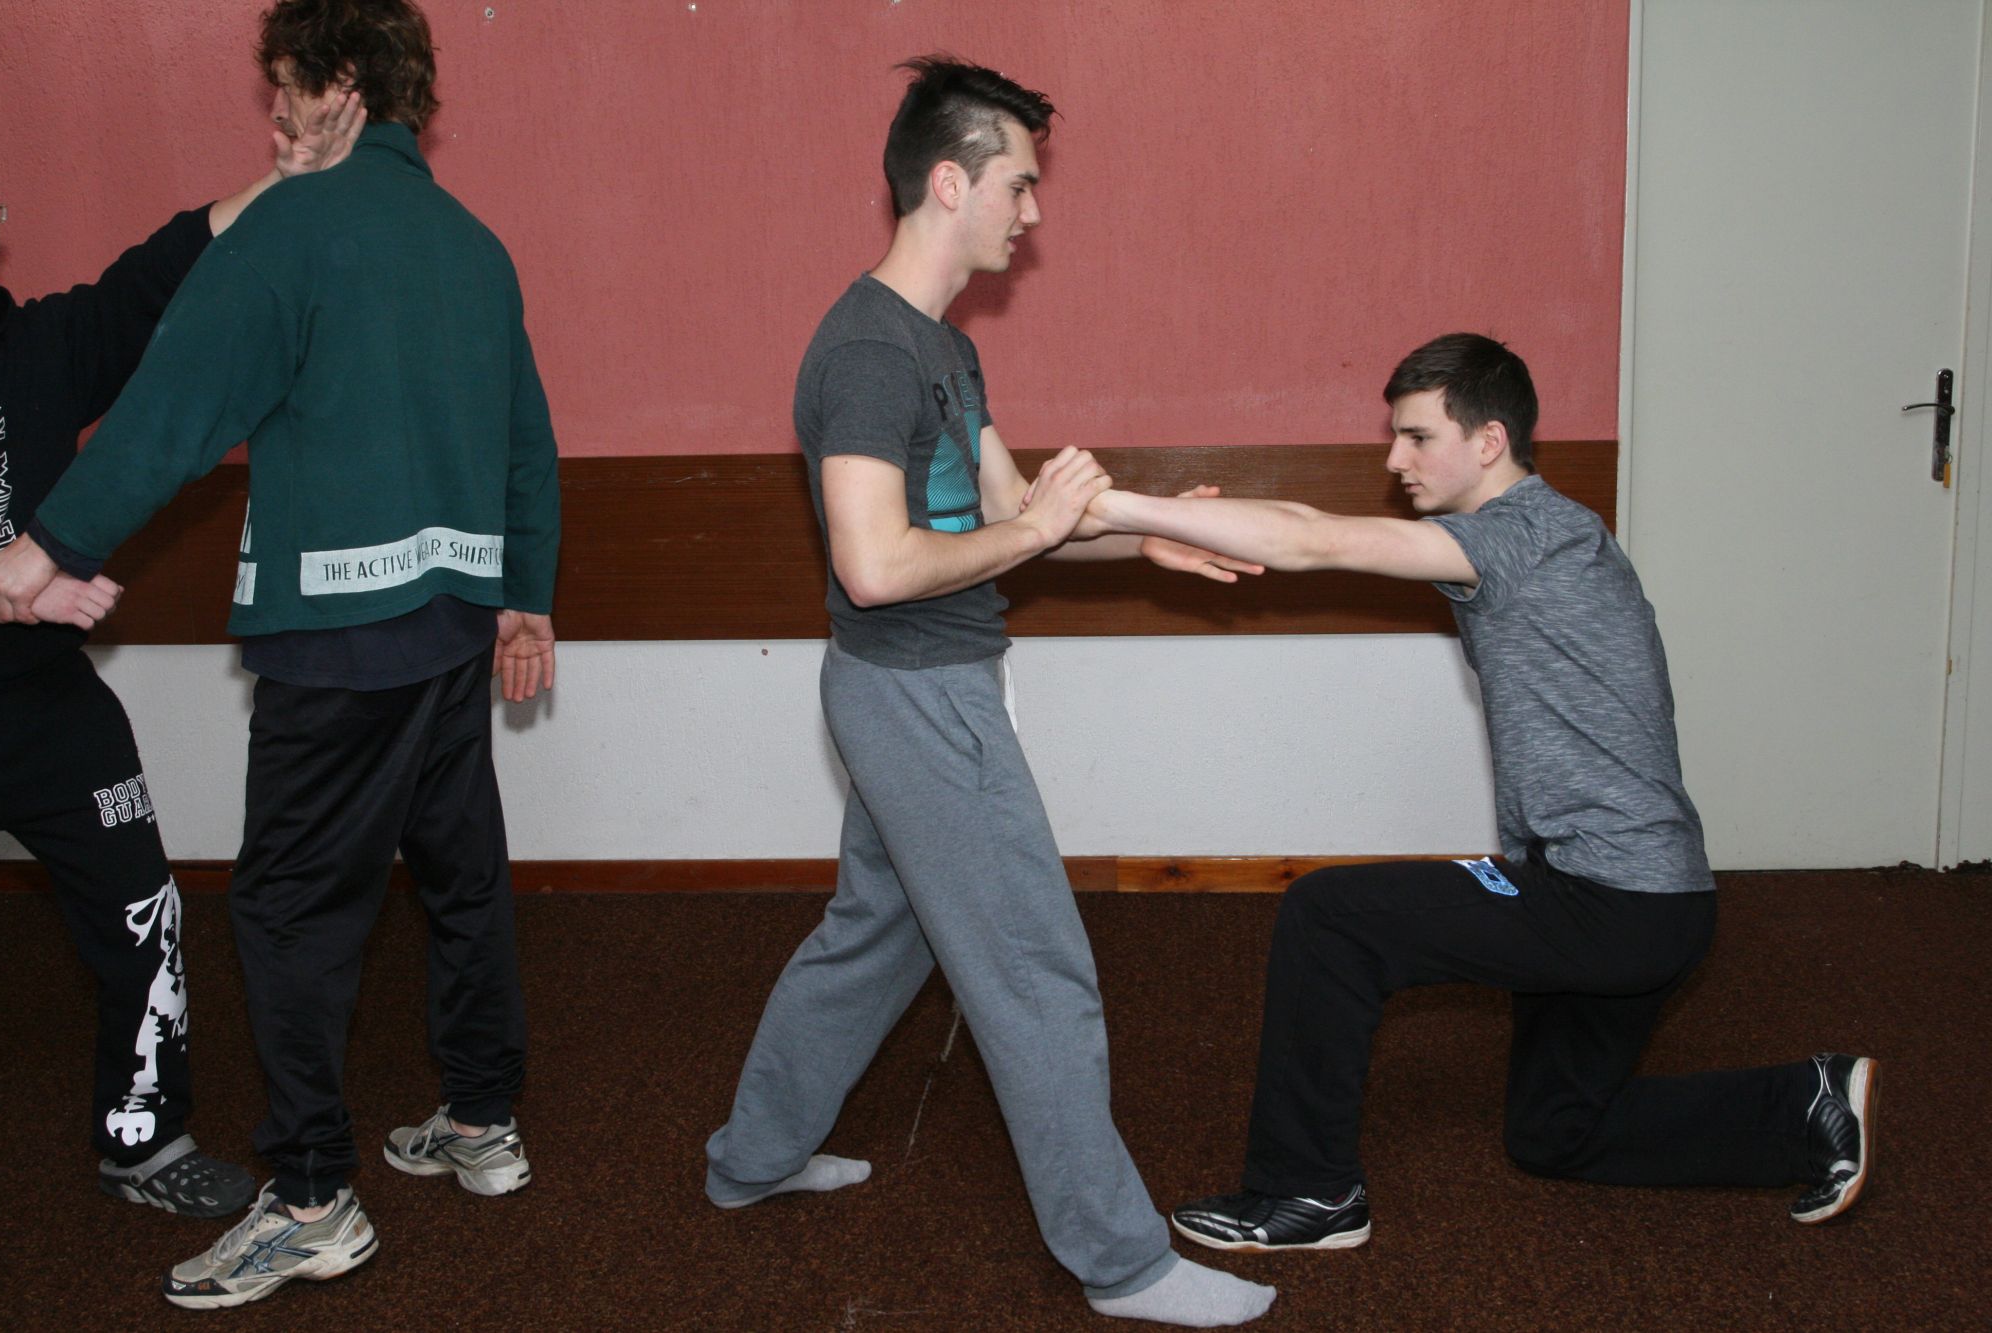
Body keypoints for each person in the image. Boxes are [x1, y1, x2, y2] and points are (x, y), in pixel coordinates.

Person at [0, 0, 561, 1308]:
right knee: (460, 869)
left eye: (286, 90)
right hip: (449, 633)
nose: (275, 120)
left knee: (287, 909)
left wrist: (43, 549)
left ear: (337, 82)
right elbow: (526, 442)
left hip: (336, 649)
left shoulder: (294, 233)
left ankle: (309, 1200)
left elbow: (173, 407)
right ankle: (482, 1120)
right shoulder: (473, 245)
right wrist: (525, 598)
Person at [1079, 332, 1877, 1255]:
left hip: (1612, 901)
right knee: (1556, 1131)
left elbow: (1308, 537)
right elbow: (1306, 523)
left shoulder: (1523, 533)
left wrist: (1105, 506)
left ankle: (1309, 1191)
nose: (1395, 458)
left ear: (1490, 440)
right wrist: (1157, 528)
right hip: (1650, 902)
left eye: (1418, 436)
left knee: (1332, 918)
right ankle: (1806, 1105)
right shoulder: (1553, 531)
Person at [702, 55, 1274, 1329]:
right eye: (1018, 182)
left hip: (915, 690)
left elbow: (1016, 512)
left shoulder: (941, 349)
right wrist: (1038, 532)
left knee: (874, 937)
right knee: (1034, 968)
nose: (1033, 209)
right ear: (949, 182)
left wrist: (1146, 537)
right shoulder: (867, 351)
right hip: (917, 696)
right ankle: (1121, 1262)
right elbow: (874, 565)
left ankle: (752, 1156)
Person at [0, 89, 363, 1220]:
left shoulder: (39, 346)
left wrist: (285, 183)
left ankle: (143, 1139)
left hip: (40, 706)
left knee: (143, 909)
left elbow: (158, 274)